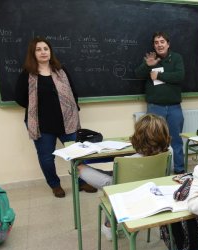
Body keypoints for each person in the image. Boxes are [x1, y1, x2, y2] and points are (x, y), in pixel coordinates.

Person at [14, 37, 97, 198]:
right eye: (38, 49)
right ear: (33, 53)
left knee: (77, 153)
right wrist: (35, 109)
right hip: (42, 125)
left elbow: (73, 93)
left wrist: (70, 110)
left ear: (50, 51)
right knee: (46, 157)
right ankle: (55, 185)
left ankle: (82, 181)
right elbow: (19, 97)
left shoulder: (60, 70)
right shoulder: (27, 74)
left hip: (67, 122)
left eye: (46, 48)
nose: (43, 52)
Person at [135, 31, 186, 174]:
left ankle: (179, 170)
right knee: (152, 141)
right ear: (154, 45)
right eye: (156, 42)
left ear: (168, 44)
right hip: (155, 108)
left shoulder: (176, 58)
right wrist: (147, 65)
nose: (159, 45)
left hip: (174, 108)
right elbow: (138, 74)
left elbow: (179, 76)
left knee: (176, 141)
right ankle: (155, 171)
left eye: (162, 42)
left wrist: (159, 75)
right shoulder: (151, 58)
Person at [77, 114, 171, 189]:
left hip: (128, 199)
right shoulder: (170, 152)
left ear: (138, 136)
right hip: (154, 192)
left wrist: (82, 169)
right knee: (114, 174)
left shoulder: (128, 161)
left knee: (81, 169)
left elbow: (111, 185)